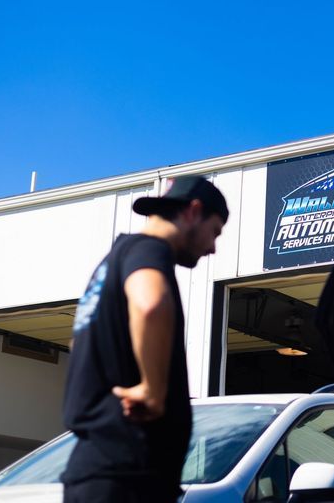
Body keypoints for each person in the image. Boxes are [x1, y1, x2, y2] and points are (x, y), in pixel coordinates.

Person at [61, 175, 228, 503]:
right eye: (215, 232)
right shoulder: (149, 250)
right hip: (127, 474)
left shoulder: (113, 263)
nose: (212, 247)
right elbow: (150, 304)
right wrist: (152, 389)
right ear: (193, 211)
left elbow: (76, 344)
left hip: (102, 469)